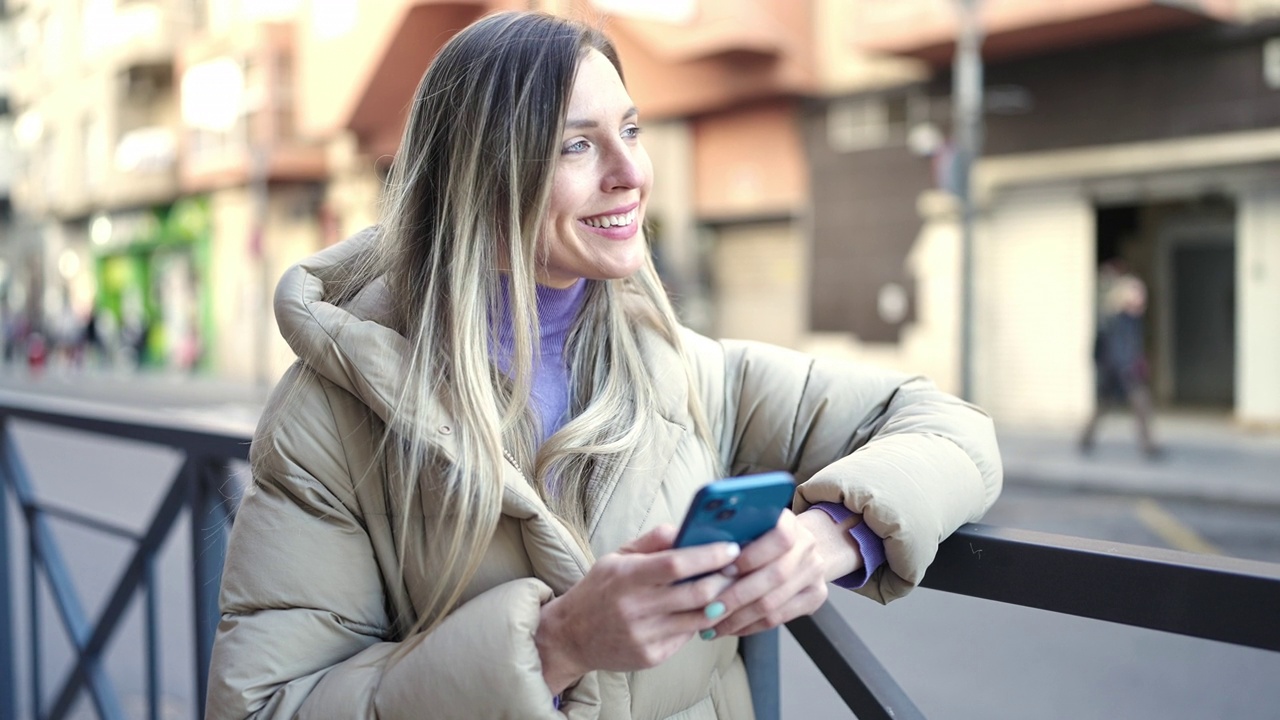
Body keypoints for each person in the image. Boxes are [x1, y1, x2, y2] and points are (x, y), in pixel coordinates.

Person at [205, 12, 1002, 719]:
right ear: (478, 180)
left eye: (633, 129)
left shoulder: (689, 370)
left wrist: (830, 537)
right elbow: (268, 705)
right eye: (577, 144)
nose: (631, 173)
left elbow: (951, 430)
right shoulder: (328, 420)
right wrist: (554, 645)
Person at [1079, 271, 1160, 458]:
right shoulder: (1118, 320)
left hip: (1124, 372)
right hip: (1120, 373)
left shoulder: (1133, 320)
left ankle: (1147, 446)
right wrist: (1127, 369)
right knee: (1136, 405)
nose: (1142, 297)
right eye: (1138, 293)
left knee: (1138, 407)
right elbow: (1117, 350)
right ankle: (1086, 439)